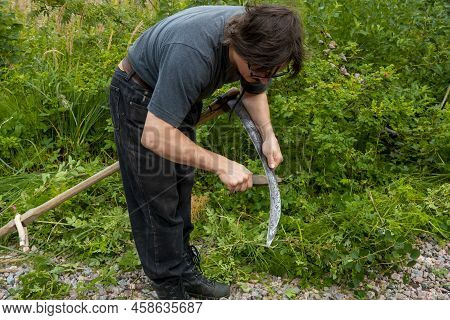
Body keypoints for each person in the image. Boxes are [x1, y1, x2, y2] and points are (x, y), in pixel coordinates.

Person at [108, 4, 305, 300]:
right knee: (157, 197)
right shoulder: (193, 54)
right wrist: (221, 164)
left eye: (271, 73)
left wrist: (268, 135)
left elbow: (253, 91)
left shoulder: (260, 34)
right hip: (140, 95)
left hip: (178, 94)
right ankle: (170, 289)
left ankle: (184, 272)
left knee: (180, 186)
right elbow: (155, 135)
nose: (262, 78)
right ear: (238, 47)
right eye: (259, 70)